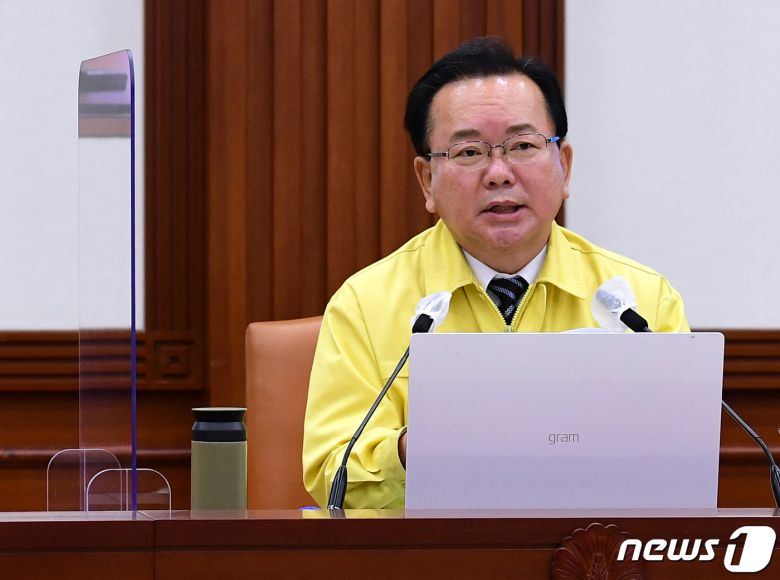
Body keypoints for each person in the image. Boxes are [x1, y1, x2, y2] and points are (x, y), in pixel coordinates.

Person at [302, 36, 688, 509]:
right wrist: (421, 447)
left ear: (564, 167)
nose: (499, 173)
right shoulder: (366, 304)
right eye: (469, 152)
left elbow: (680, 466)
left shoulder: (641, 303)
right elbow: (334, 477)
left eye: (522, 145)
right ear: (427, 180)